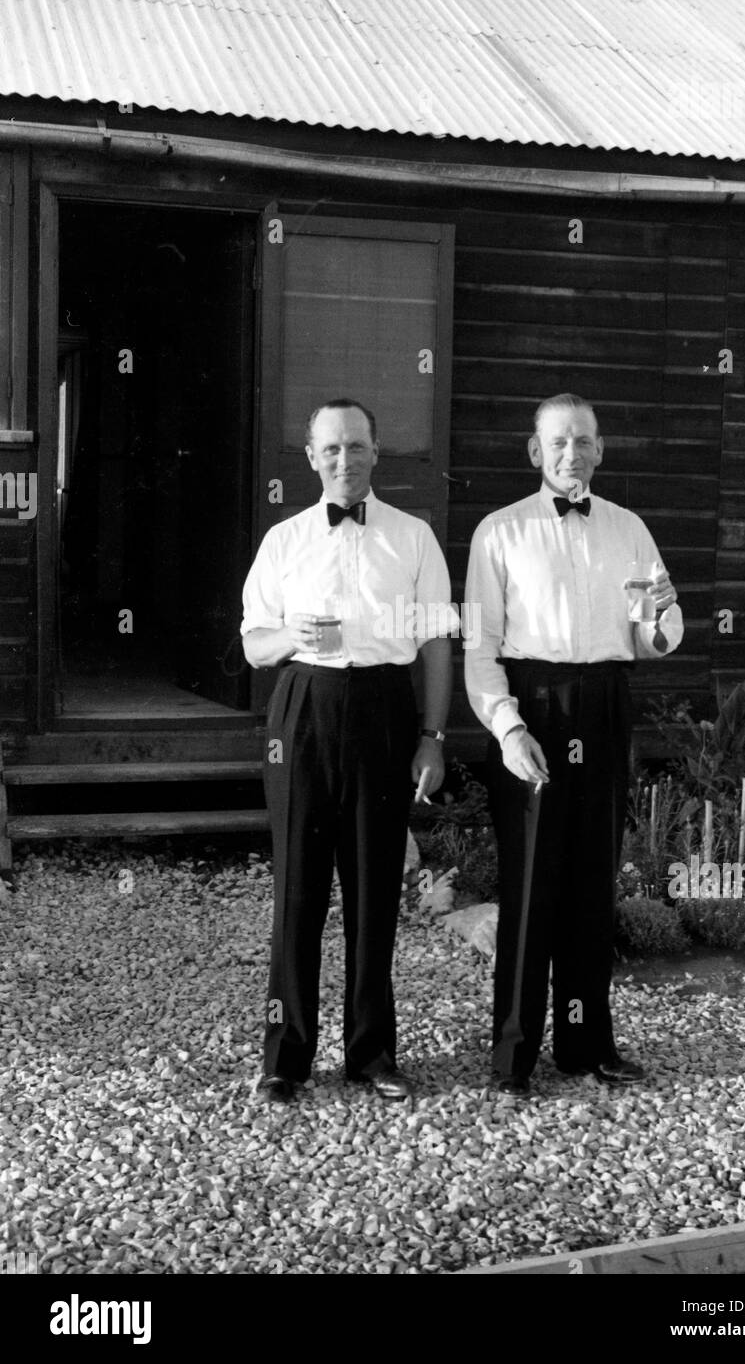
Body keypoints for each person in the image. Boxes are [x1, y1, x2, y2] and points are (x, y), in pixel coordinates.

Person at [463, 393, 683, 1098]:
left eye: (582, 441)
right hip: (534, 707)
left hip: (604, 704)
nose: (570, 454)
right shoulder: (498, 532)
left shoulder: (629, 529)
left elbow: (652, 641)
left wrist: (658, 619)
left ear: (599, 450)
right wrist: (508, 727)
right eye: (557, 442)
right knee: (531, 883)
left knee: (592, 879)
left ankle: (586, 1046)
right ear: (535, 452)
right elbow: (479, 649)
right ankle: (513, 1055)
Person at [241, 398, 457, 1104]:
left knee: (373, 892)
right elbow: (252, 643)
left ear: (375, 452)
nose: (344, 460)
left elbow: (432, 644)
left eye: (356, 447)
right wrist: (293, 636)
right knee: (296, 893)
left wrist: (431, 736)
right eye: (331, 449)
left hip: (384, 712)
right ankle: (285, 1058)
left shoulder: (413, 538)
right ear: (310, 456)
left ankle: (371, 1054)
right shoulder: (283, 541)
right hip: (303, 708)